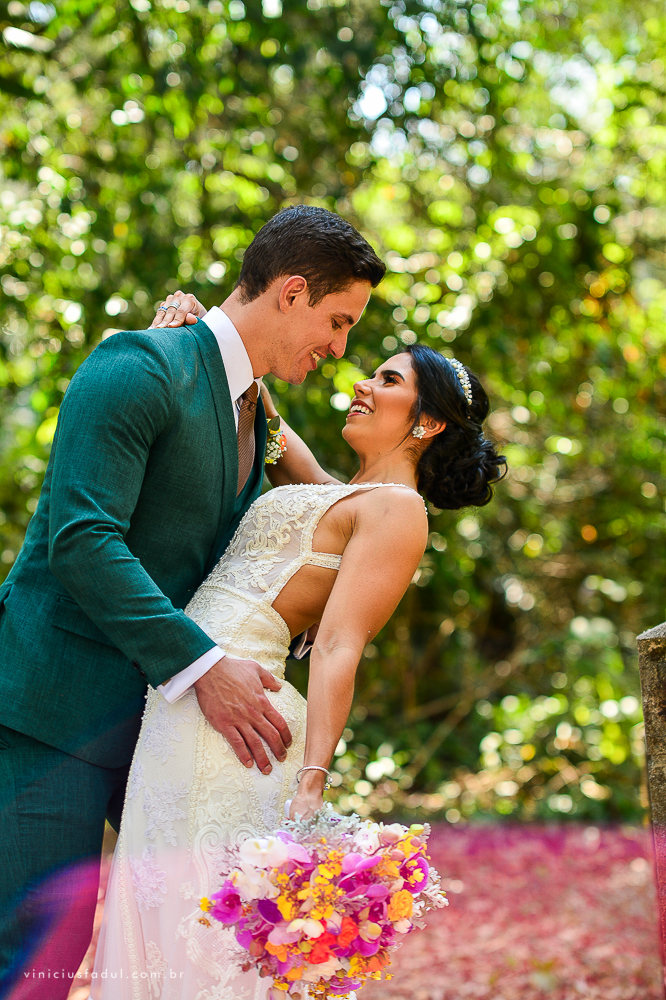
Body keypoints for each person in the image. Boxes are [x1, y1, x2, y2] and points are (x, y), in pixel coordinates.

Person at [0, 205, 385, 999]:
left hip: (156, 731)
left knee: (200, 944)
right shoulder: (138, 368)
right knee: (37, 958)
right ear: (290, 293)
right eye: (338, 321)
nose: (342, 348)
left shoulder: (250, 409)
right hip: (49, 714)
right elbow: (83, 540)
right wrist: (204, 665)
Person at [90, 340, 505, 998]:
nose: (362, 385)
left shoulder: (399, 510)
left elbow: (339, 645)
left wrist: (313, 781)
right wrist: (216, 338)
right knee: (159, 905)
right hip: (182, 699)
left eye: (387, 379)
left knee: (206, 934)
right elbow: (276, 435)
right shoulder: (342, 495)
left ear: (427, 422)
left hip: (238, 718)